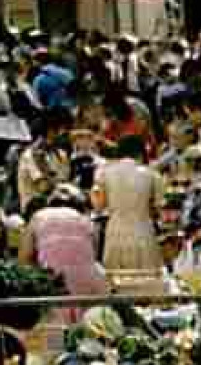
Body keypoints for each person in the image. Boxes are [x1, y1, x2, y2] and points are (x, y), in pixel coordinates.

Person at [19, 182, 107, 315]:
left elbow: (24, 259)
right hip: (88, 288)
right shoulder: (87, 222)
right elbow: (93, 256)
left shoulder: (38, 217)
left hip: (55, 287)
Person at [94, 135, 166, 274]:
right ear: (140, 152)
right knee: (146, 282)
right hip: (143, 231)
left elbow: (99, 206)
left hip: (115, 230)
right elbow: (159, 208)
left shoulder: (104, 173)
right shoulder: (152, 174)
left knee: (115, 282)